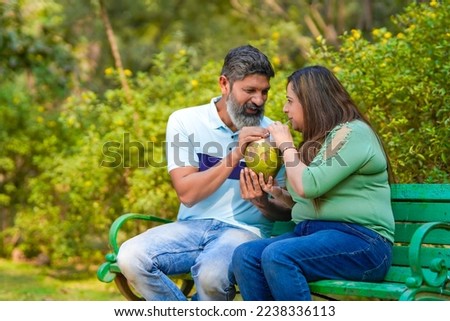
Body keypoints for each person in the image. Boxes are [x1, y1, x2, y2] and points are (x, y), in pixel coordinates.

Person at [116, 44, 285, 301]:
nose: (259, 100)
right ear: (224, 84)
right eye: (249, 90)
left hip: (244, 232)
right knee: (131, 257)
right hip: (191, 228)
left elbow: (286, 208)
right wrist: (236, 154)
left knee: (211, 277)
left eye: (264, 92)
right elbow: (188, 193)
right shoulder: (185, 121)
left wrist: (263, 202)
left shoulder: (273, 133)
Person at [232, 65, 395, 301]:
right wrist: (273, 195)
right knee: (245, 255)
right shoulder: (320, 142)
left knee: (278, 256)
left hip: (363, 243)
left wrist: (286, 145)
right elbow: (302, 201)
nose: (285, 109)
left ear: (311, 101)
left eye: (290, 101)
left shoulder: (354, 133)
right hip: (311, 235)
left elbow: (308, 186)